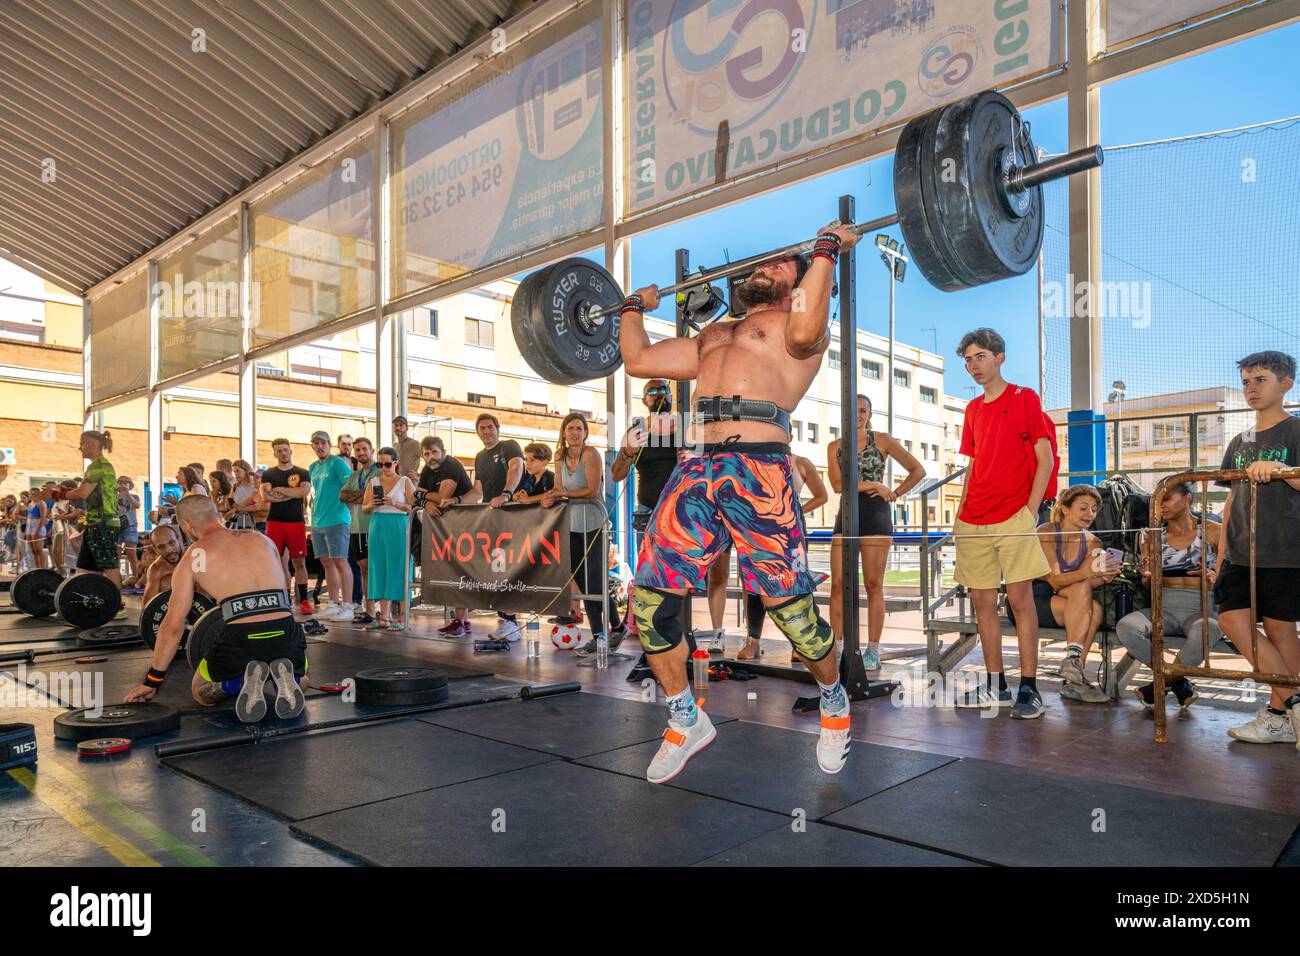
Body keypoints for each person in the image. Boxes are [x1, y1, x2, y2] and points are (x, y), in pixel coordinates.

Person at [622, 221, 858, 782]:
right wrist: (633, 306)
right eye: (766, 260)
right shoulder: (714, 335)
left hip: (759, 470)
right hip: (696, 469)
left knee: (791, 612)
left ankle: (832, 696)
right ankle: (684, 717)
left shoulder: (799, 327)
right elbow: (639, 360)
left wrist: (825, 250)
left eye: (781, 264)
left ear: (800, 283)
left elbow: (803, 330)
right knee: (650, 602)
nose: (766, 265)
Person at [125, 495, 307, 723]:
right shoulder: (262, 539)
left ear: (186, 526)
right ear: (218, 515)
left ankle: (238, 682)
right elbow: (283, 594)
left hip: (242, 637)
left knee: (200, 692)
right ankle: (286, 677)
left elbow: (173, 624)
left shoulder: (194, 555)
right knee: (304, 677)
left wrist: (152, 680)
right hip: (285, 630)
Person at [950, 328, 1055, 719]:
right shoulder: (972, 409)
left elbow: (1044, 460)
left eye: (979, 356)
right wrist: (960, 514)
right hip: (973, 519)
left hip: (1014, 515)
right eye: (968, 359)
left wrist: (1029, 512)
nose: (973, 365)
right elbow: (972, 465)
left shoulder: (1025, 398)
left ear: (1000, 358)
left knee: (1020, 600)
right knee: (981, 603)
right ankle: (996, 685)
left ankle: (1029, 687)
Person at [1212, 351, 1300, 747]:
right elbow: (1231, 501)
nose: (1251, 388)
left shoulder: (1295, 432)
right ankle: (1295, 703)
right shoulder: (1239, 440)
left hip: (1285, 549)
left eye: (1260, 379)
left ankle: (1281, 716)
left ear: (1285, 384)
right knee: (1232, 621)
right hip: (1239, 554)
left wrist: (1280, 471)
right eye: (1247, 381)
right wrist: (1219, 555)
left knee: (1282, 631)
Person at [824, 394, 924, 669]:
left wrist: (894, 494)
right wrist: (875, 485)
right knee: (837, 586)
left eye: (863, 410)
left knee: (873, 584)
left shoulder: (882, 440)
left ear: (870, 413)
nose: (858, 415)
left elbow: (918, 470)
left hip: (876, 515)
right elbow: (837, 485)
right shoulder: (834, 446)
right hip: (846, 514)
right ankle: (839, 647)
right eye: (852, 410)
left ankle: (873, 650)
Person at [1116, 480, 1225, 709]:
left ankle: (1161, 684)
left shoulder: (1213, 532)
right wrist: (1147, 576)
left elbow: (1228, 579)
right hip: (1164, 606)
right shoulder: (1151, 536)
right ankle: (1177, 682)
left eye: (1167, 498)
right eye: (1157, 499)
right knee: (1126, 626)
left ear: (1187, 499)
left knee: (1208, 629)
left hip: (1202, 606)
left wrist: (1214, 577)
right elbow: (1148, 586)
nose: (1160, 504)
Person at [610, 379, 691, 680]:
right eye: (652, 392)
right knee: (649, 582)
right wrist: (628, 452)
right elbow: (617, 474)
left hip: (680, 511)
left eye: (663, 391)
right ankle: (655, 648)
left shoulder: (684, 427)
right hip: (647, 512)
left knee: (675, 582)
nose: (659, 396)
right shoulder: (636, 430)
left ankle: (677, 645)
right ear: (644, 399)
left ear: (671, 395)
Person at [1017, 485, 1118, 704]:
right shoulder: (1046, 532)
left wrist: (1102, 578)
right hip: (1032, 600)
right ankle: (1075, 677)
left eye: (1094, 509)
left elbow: (1085, 582)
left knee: (1095, 605)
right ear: (1064, 509)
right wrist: (1087, 574)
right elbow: (1054, 579)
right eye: (1083, 508)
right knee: (1089, 601)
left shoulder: (1094, 542)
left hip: (1067, 602)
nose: (1090, 514)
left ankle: (1073, 669)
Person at [541, 413, 624, 653]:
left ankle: (614, 630)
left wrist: (561, 495)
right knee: (585, 585)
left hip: (593, 524)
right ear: (564, 432)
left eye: (579, 428)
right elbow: (557, 488)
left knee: (596, 582)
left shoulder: (591, 454)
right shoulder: (559, 456)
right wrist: (546, 497)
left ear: (586, 432)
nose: (574, 432)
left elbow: (591, 489)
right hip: (571, 525)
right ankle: (600, 635)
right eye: (570, 428)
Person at [738, 454, 828, 660]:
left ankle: (801, 643)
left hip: (792, 532)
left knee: (798, 584)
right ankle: (753, 640)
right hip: (760, 530)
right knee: (756, 585)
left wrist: (795, 510)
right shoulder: (753, 461)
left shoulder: (801, 463)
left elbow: (822, 496)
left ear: (789, 437)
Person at [454, 413, 524, 640]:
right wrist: (454, 502)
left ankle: (512, 621)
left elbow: (516, 468)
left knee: (509, 570)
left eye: (490, 427)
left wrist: (506, 494)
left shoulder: (509, 446)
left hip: (513, 516)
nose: (486, 431)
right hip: (492, 521)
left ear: (498, 428)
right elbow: (477, 492)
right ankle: (506, 620)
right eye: (482, 428)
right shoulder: (480, 457)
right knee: (496, 571)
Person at [42, 430, 124, 590]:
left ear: (93, 444)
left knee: (109, 566)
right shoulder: (98, 465)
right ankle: (94, 601)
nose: (80, 448)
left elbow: (82, 492)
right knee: (88, 567)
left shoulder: (99, 465)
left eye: (82, 443)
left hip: (103, 523)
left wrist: (56, 493)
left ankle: (117, 605)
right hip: (95, 522)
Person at [418, 436, 474, 637]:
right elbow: (413, 495)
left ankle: (459, 620)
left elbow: (442, 496)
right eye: (426, 453)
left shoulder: (451, 465)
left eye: (433, 452)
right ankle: (463, 620)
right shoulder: (427, 469)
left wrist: (424, 497)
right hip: (447, 526)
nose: (430, 457)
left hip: (466, 523)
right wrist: (425, 503)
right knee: (453, 571)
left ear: (443, 451)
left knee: (461, 571)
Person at [363, 446, 417, 630]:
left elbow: (414, 507)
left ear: (396, 463)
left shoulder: (404, 481)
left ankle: (403, 617)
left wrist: (395, 503)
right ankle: (384, 616)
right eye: (380, 464)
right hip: (377, 524)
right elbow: (364, 507)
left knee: (400, 568)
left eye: (387, 464)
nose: (384, 468)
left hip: (398, 525)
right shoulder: (374, 481)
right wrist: (372, 503)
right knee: (379, 568)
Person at [260, 438, 313, 615]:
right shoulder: (268, 474)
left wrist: (280, 490)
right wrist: (291, 493)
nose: (283, 453)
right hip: (275, 522)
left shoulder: (302, 472)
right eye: (279, 450)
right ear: (274, 453)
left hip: (295, 522)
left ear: (291, 451)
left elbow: (302, 492)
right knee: (275, 562)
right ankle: (283, 598)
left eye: (285, 450)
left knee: (299, 562)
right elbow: (267, 496)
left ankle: (304, 600)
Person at [308, 430, 355, 623]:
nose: (319, 446)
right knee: (327, 563)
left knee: (341, 562)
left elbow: (351, 485)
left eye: (323, 443)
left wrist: (350, 513)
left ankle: (348, 605)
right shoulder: (312, 467)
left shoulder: (337, 463)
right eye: (316, 443)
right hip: (318, 520)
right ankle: (333, 603)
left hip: (337, 519)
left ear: (329, 444)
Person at [340, 437, 379, 625]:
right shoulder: (354, 475)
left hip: (377, 525)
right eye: (357, 450)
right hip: (357, 527)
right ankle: (369, 609)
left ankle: (382, 608)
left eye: (364, 449)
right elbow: (342, 495)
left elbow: (380, 496)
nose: (361, 453)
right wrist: (364, 497)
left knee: (377, 568)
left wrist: (360, 497)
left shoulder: (381, 471)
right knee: (364, 569)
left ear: (372, 450)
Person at [141, 525, 185, 605]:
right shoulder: (157, 568)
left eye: (171, 543)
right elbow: (148, 605)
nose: (168, 550)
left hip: (202, 608)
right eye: (161, 547)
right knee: (167, 582)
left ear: (179, 540)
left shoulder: (195, 556)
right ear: (155, 549)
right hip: (172, 610)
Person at [117, 476, 142, 588]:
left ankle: (136, 577)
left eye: (125, 483)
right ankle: (117, 578)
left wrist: (127, 494)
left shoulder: (134, 496)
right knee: (116, 554)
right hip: (116, 526)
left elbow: (137, 505)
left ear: (129, 484)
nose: (122, 484)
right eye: (120, 482)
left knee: (131, 553)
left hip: (130, 526)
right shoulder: (112, 496)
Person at [227, 460, 263, 530]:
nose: (235, 474)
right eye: (234, 472)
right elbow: (231, 503)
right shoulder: (235, 486)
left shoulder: (257, 486)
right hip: (239, 521)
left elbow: (257, 506)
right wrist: (229, 505)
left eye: (238, 471)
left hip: (255, 522)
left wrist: (237, 508)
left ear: (246, 471)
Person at [23, 486, 48, 570]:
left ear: (38, 494)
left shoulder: (41, 503)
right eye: (30, 494)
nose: (31, 495)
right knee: (33, 551)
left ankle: (43, 568)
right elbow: (28, 517)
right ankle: (37, 568)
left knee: (39, 550)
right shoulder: (30, 503)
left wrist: (37, 531)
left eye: (34, 494)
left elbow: (43, 518)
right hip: (30, 526)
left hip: (38, 526)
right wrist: (26, 531)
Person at [392, 416, 422, 482]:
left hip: (412, 483)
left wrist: (420, 475)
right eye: (396, 425)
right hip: (399, 483)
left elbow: (429, 459)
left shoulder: (415, 444)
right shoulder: (395, 446)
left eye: (401, 425)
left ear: (407, 427)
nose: (398, 428)